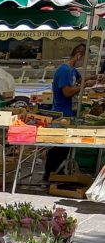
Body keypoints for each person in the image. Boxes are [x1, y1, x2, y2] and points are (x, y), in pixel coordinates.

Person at [46, 44, 86, 179]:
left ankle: (58, 172)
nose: (84, 62)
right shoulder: (64, 70)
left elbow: (81, 79)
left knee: (65, 146)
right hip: (61, 112)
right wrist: (83, 86)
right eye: (85, 58)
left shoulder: (73, 70)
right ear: (79, 55)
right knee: (59, 145)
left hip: (69, 111)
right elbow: (67, 92)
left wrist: (94, 78)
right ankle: (50, 173)